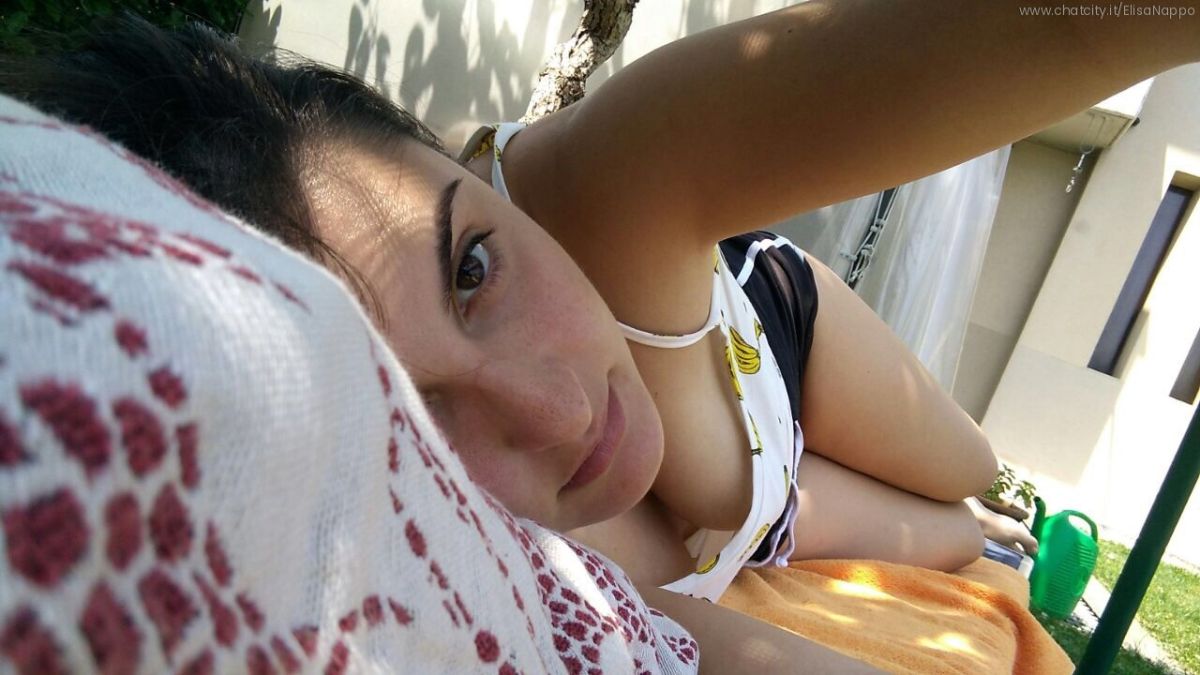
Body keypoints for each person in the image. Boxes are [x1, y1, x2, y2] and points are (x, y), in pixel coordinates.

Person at [4, 0, 1195, 623]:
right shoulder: (393, 553)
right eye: (405, 417)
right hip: (761, 514)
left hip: (770, 343)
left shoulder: (609, 176)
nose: (558, 411)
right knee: (956, 537)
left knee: (962, 464)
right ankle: (1006, 533)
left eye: (473, 268)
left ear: (456, 161)